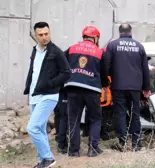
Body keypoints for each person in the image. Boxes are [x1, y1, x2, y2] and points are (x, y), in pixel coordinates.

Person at [24, 21, 71, 168]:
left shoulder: (56, 52)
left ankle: (48, 158)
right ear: (35, 35)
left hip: (49, 95)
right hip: (34, 95)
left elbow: (67, 73)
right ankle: (42, 162)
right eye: (41, 35)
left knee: (32, 128)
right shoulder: (35, 50)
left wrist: (51, 84)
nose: (44, 37)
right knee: (40, 129)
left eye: (47, 33)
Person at [63, 25, 110, 157]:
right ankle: (93, 149)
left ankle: (74, 151)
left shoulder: (71, 49)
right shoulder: (100, 52)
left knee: (74, 119)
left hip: (73, 87)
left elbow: (62, 64)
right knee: (95, 118)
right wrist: (105, 84)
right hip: (92, 89)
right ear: (95, 38)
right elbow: (105, 71)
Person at [105, 23, 151, 152]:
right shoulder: (139, 46)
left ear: (119, 32)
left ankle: (123, 142)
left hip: (118, 85)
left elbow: (106, 65)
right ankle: (136, 143)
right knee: (135, 114)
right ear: (131, 31)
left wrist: (106, 82)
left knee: (120, 113)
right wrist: (146, 87)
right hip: (135, 87)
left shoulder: (112, 45)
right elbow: (145, 69)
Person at [54, 86, 68, 155]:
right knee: (63, 117)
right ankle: (61, 144)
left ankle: (59, 140)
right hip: (62, 91)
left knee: (58, 116)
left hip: (54, 92)